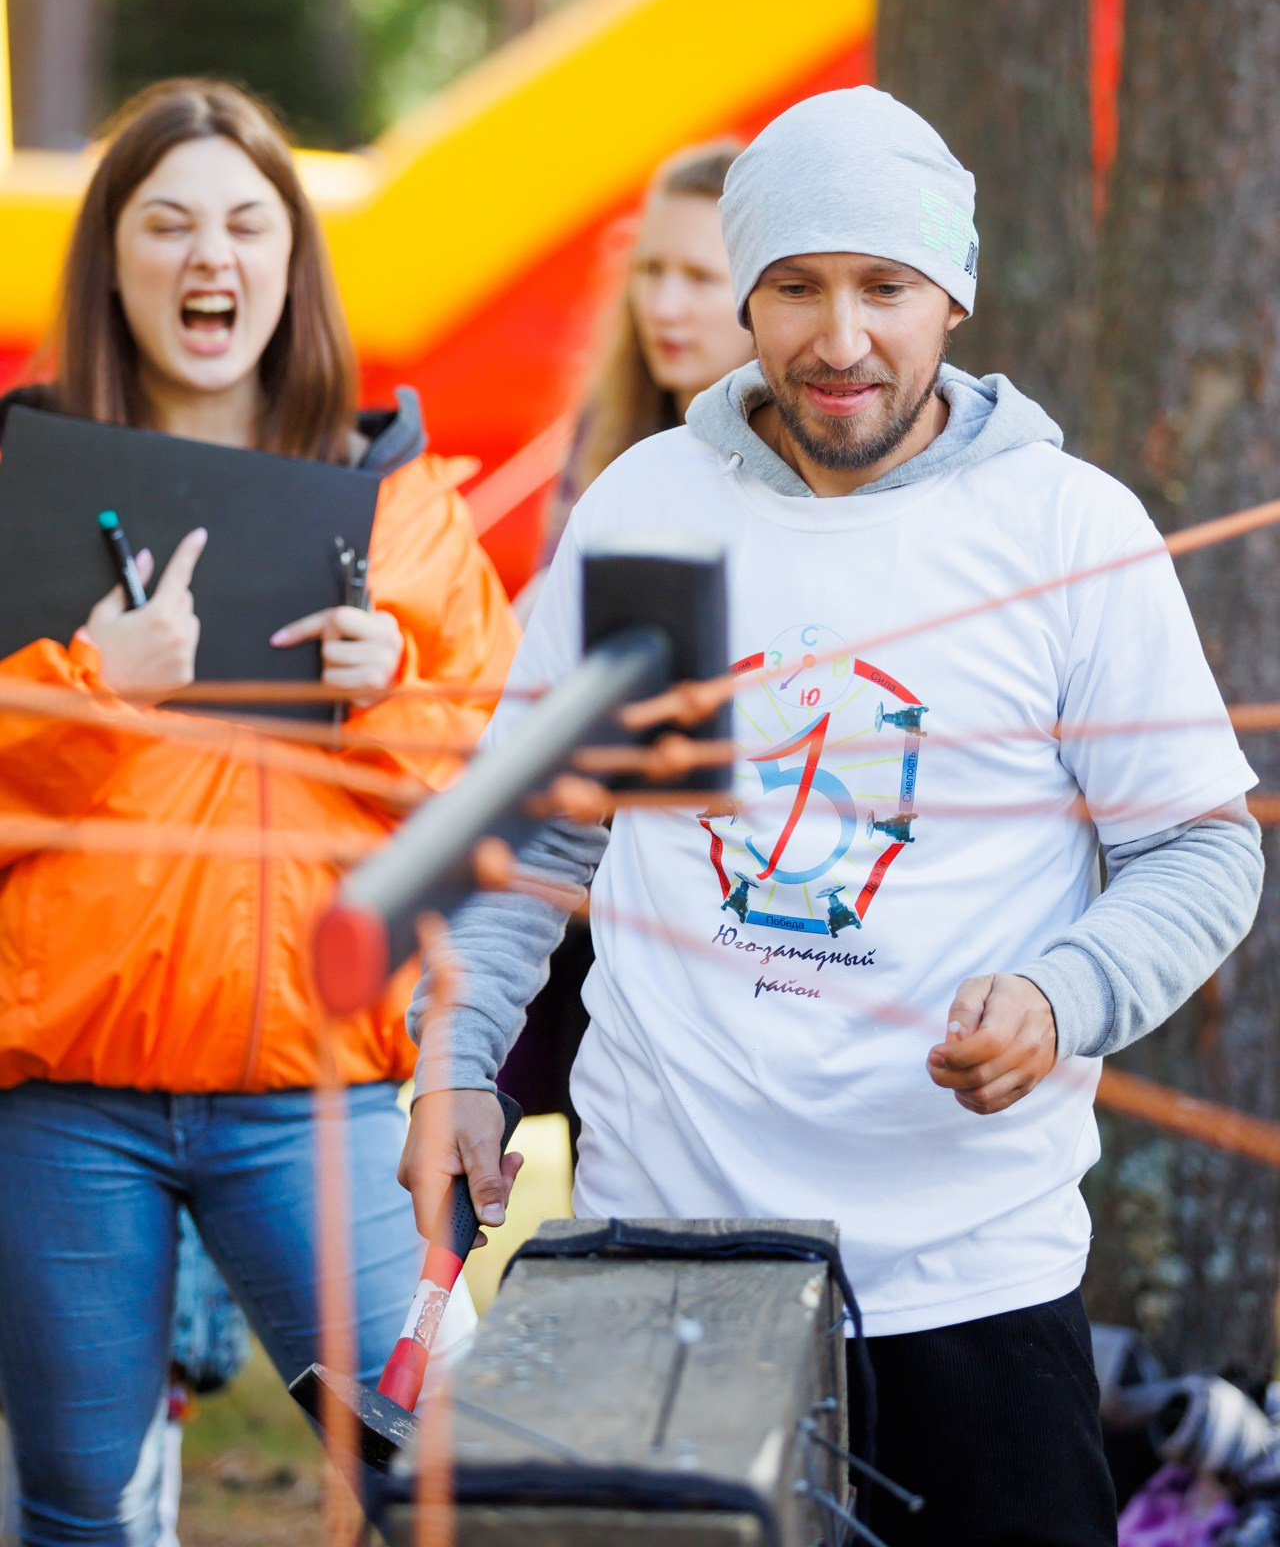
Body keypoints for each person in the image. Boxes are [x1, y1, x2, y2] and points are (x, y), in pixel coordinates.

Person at [401, 87, 1264, 1546]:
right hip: (657, 1245)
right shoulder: (650, 506)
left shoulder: (1067, 530)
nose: (842, 337)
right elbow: (541, 836)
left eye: (886, 286)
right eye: (796, 287)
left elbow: (1199, 848)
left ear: (957, 295)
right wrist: (457, 1063)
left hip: (967, 1277)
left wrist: (1064, 995)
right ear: (746, 295)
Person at [0, 78, 520, 1547]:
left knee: (453, 1492)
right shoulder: (17, 489)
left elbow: (484, 793)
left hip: (322, 1097)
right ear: (110, 259)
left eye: (245, 222)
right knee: (76, 1510)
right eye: (165, 224)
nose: (206, 257)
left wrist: (392, 691)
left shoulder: (400, 506)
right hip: (64, 1106)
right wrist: (94, 687)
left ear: (293, 260)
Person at [502, 138, 751, 1133]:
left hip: (705, 871)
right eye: (650, 271)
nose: (665, 304)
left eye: (698, 277)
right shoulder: (610, 431)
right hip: (582, 850)